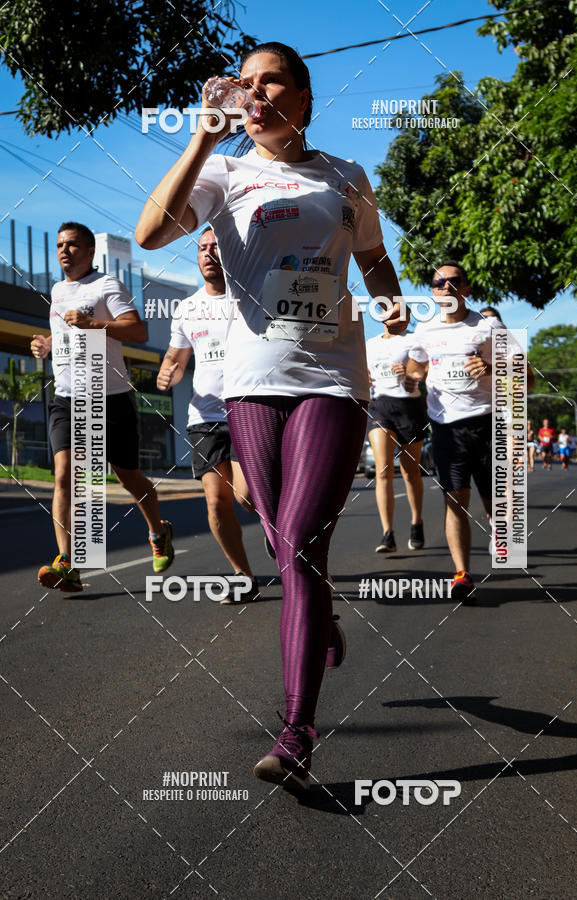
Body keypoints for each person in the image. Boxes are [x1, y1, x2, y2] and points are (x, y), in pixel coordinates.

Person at [135, 42, 405, 795]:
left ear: (305, 96)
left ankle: (296, 734)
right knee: (289, 546)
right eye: (244, 85)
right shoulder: (223, 173)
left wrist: (391, 305)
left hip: (332, 379)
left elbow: (374, 257)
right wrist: (202, 137)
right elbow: (151, 232)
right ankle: (319, 616)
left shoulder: (347, 176)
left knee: (303, 543)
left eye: (271, 81)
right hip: (251, 385)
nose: (254, 94)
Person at [31, 222, 174, 592]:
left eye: (72, 245)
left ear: (90, 251)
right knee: (65, 475)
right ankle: (68, 563)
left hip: (111, 398)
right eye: (60, 245)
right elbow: (68, 337)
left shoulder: (107, 285)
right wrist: (47, 345)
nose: (64, 251)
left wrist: (94, 323)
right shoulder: (57, 290)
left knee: (128, 477)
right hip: (67, 398)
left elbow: (137, 331)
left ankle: (158, 531)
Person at [407, 261, 532, 603]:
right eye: (438, 282)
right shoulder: (424, 330)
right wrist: (413, 376)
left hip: (487, 422)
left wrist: (491, 367)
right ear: (432, 292)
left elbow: (526, 375)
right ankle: (462, 575)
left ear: (466, 288)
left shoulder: (488, 326)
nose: (445, 287)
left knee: (494, 498)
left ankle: (498, 525)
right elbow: (416, 363)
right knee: (454, 500)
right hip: (446, 427)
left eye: (453, 281)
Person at [156, 227, 259, 604]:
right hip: (205, 416)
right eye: (202, 247)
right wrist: (167, 373)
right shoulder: (187, 308)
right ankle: (243, 577)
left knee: (248, 496)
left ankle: (273, 526)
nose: (209, 253)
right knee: (217, 501)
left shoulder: (249, 297)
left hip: (248, 408)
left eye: (216, 246)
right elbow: (176, 359)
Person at [366, 313, 428, 552]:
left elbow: (423, 370)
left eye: (403, 314)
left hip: (409, 407)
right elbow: (361, 371)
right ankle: (387, 534)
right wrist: (364, 376)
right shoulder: (370, 344)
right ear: (382, 317)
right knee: (383, 470)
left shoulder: (414, 340)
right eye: (391, 313)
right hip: (379, 406)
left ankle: (416, 522)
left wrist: (409, 372)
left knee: (410, 471)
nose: (397, 318)